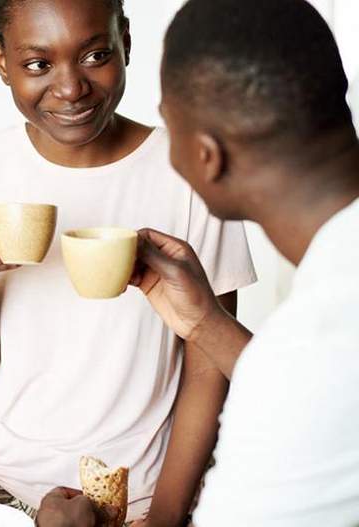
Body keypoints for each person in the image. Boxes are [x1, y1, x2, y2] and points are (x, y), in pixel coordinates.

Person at [0, 0, 256, 523]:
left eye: (96, 54)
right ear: (1, 61)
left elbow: (209, 366)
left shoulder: (192, 169)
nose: (71, 87)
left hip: (136, 487)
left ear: (126, 39)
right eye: (37, 64)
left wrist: (166, 517)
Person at [38, 0, 359, 525]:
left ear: (207, 155)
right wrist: (206, 323)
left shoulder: (316, 356)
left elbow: (310, 387)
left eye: (170, 124)